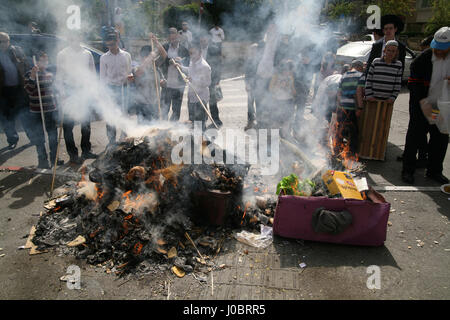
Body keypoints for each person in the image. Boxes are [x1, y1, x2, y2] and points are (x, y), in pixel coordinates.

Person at [401, 27, 450, 185]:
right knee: (415, 137)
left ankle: (434, 171)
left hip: (443, 106)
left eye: (443, 49)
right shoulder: (421, 61)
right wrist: (424, 106)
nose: (438, 52)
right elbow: (413, 86)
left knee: (440, 139)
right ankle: (408, 170)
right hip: (423, 104)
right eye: (436, 48)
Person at [56, 31, 97, 164]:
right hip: (69, 92)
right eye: (72, 38)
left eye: (78, 37)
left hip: (84, 92)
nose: (75, 40)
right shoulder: (62, 54)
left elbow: (92, 74)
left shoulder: (87, 54)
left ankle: (86, 150)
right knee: (68, 126)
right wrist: (62, 93)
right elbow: (59, 75)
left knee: (86, 124)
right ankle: (72, 154)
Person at [23, 52, 58, 168]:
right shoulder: (29, 74)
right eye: (42, 61)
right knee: (39, 137)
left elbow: (55, 90)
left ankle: (54, 159)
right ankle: (43, 160)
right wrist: (33, 76)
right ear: (36, 62)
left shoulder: (50, 74)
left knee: (53, 135)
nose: (45, 63)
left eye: (46, 60)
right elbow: (29, 90)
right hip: (37, 111)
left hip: (50, 109)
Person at [99, 30, 132, 145]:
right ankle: (112, 141)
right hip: (111, 89)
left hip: (124, 88)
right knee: (111, 116)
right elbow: (102, 78)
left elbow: (129, 72)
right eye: (108, 45)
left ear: (117, 41)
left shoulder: (126, 55)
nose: (111, 47)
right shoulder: (104, 58)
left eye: (112, 44)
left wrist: (130, 77)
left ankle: (125, 138)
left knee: (124, 114)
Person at [0, 31, 29, 149]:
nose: (2, 44)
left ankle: (33, 137)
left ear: (9, 41)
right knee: (6, 117)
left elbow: (26, 66)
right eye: (0, 42)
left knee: (25, 115)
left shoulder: (17, 51)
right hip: (3, 91)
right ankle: (12, 139)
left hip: (19, 89)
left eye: (4, 41)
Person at [131, 34, 167, 123]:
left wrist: (156, 42)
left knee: (154, 131)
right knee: (143, 132)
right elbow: (138, 73)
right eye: (145, 57)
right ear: (141, 57)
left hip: (155, 103)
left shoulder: (155, 66)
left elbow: (164, 55)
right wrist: (150, 57)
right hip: (142, 104)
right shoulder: (137, 67)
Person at [177, 41, 211, 130]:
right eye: (190, 53)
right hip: (192, 96)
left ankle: (202, 141)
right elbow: (190, 70)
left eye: (193, 53)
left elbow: (207, 83)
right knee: (192, 121)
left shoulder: (205, 66)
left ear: (200, 53)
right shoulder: (192, 62)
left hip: (201, 98)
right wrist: (181, 67)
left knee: (199, 123)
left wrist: (193, 80)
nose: (191, 56)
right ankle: (195, 140)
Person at [335, 60, 365, 154]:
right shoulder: (360, 75)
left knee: (340, 129)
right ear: (359, 67)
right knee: (353, 132)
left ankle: (337, 150)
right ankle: (351, 154)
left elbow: (339, 93)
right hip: (352, 108)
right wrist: (359, 108)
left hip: (342, 107)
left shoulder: (344, 76)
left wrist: (340, 107)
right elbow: (358, 92)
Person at [160, 28, 190, 121]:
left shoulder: (184, 49)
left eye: (174, 34)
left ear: (178, 36)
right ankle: (164, 130)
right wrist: (161, 78)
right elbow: (158, 65)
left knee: (176, 110)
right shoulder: (164, 48)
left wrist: (181, 63)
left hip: (179, 85)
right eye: (169, 35)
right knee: (164, 109)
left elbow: (189, 66)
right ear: (168, 38)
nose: (172, 37)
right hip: (166, 84)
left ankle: (172, 129)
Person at [200, 33, 223, 128]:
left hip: (212, 78)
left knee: (213, 100)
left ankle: (216, 120)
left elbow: (218, 65)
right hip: (201, 79)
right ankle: (203, 118)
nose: (203, 41)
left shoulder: (214, 49)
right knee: (202, 100)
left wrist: (217, 79)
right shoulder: (198, 50)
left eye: (204, 40)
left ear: (208, 39)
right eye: (201, 40)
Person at [269, 59, 296, 138]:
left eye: (289, 71)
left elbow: (292, 88)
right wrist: (279, 86)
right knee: (277, 119)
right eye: (286, 70)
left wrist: (295, 94)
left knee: (288, 118)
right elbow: (270, 88)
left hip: (288, 100)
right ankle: (275, 135)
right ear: (282, 70)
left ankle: (285, 134)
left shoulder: (290, 77)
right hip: (278, 100)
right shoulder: (276, 76)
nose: (288, 72)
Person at [244, 42, 262, 130]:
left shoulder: (261, 60)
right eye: (252, 50)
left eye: (254, 50)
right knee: (250, 105)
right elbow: (246, 74)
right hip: (251, 85)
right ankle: (250, 122)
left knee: (259, 104)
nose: (253, 51)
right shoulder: (249, 60)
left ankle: (259, 122)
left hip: (259, 86)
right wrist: (247, 84)